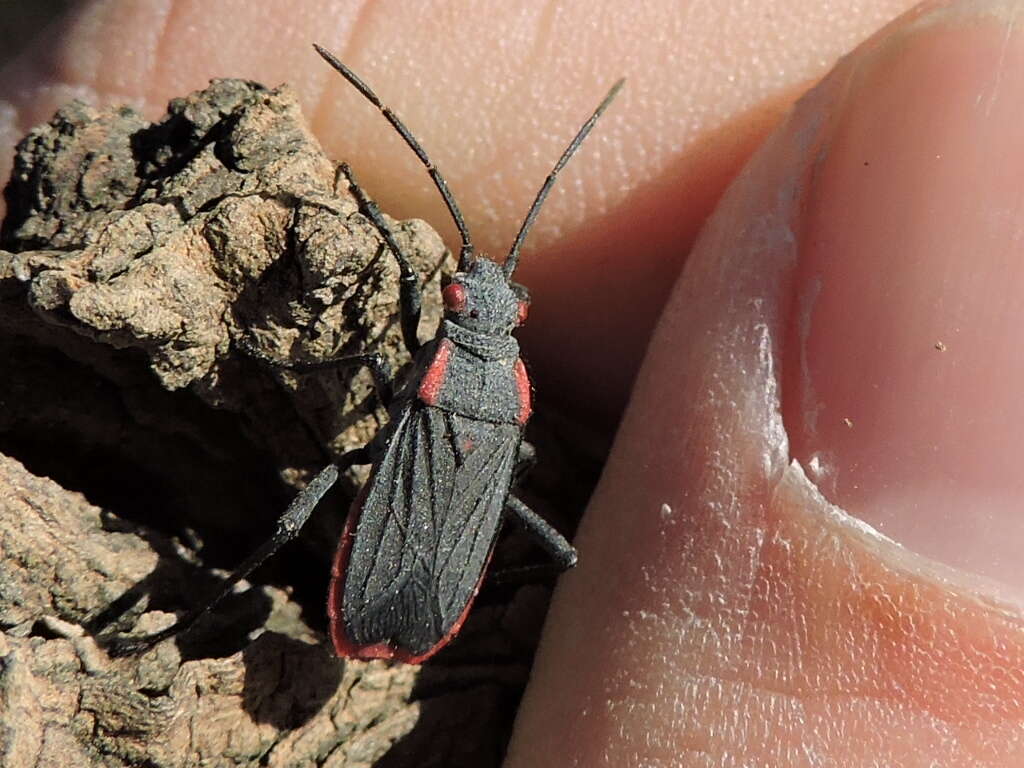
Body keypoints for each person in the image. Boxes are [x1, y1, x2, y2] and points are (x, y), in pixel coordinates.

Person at [4, 1, 1020, 764]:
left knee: (330, 474)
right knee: (551, 537)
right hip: (431, 569)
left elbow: (359, 359)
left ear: (462, 324)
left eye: (472, 303)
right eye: (469, 301)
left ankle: (223, 590)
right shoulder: (493, 396)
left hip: (392, 573)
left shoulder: (433, 370)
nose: (477, 303)